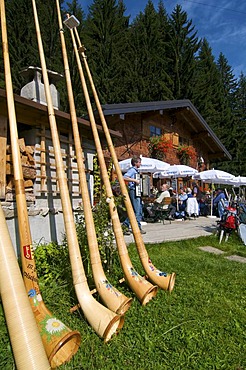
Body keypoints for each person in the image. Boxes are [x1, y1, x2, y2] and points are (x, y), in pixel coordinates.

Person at [122, 156, 146, 235]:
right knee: (136, 211)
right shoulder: (132, 170)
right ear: (135, 163)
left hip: (137, 191)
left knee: (139, 211)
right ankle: (125, 226)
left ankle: (138, 227)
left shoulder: (137, 171)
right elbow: (124, 177)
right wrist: (135, 180)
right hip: (133, 190)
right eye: (139, 162)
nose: (140, 164)